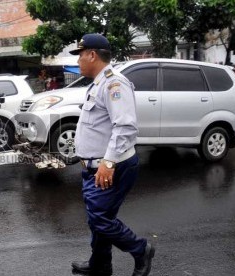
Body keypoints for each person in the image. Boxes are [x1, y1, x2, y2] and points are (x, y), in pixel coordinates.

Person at [69, 33, 155, 276]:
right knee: (99, 218)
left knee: (100, 219)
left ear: (92, 55)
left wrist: (108, 161)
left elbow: (125, 126)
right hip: (94, 167)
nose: (78, 61)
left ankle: (141, 250)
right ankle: (101, 264)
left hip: (110, 167)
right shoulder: (98, 83)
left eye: (80, 56)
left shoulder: (114, 83)